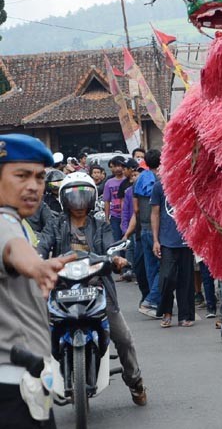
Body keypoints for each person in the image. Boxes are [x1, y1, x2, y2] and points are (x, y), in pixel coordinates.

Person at [37, 172, 147, 406]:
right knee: (37, 335)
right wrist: (35, 260)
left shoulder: (101, 224)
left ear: (92, 198)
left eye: (83, 197)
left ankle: (135, 380)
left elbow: (111, 248)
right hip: (61, 289)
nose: (78, 203)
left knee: (124, 338)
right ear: (64, 200)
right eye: (73, 198)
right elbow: (43, 245)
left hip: (97, 288)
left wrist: (116, 259)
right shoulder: (55, 224)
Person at [0, 134, 76, 429]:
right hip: (13, 390)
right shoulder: (4, 222)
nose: (33, 186)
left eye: (39, 177)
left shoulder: (17, 220)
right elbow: (13, 249)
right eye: (21, 176)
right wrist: (37, 267)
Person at [151, 174, 195, 328]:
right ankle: (166, 311)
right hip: (166, 241)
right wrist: (156, 240)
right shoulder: (159, 186)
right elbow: (155, 213)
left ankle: (184, 315)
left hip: (186, 240)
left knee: (186, 279)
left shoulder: (188, 184)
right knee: (167, 277)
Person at [134, 149, 162, 317]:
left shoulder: (139, 179)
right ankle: (151, 300)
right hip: (156, 229)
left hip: (143, 227)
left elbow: (136, 208)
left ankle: (154, 301)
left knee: (150, 267)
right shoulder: (160, 180)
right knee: (163, 266)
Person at [103, 156, 126, 240]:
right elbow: (107, 201)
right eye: (115, 166)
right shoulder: (109, 183)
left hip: (127, 216)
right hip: (115, 216)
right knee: (116, 239)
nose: (117, 169)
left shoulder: (128, 180)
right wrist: (107, 218)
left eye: (119, 166)